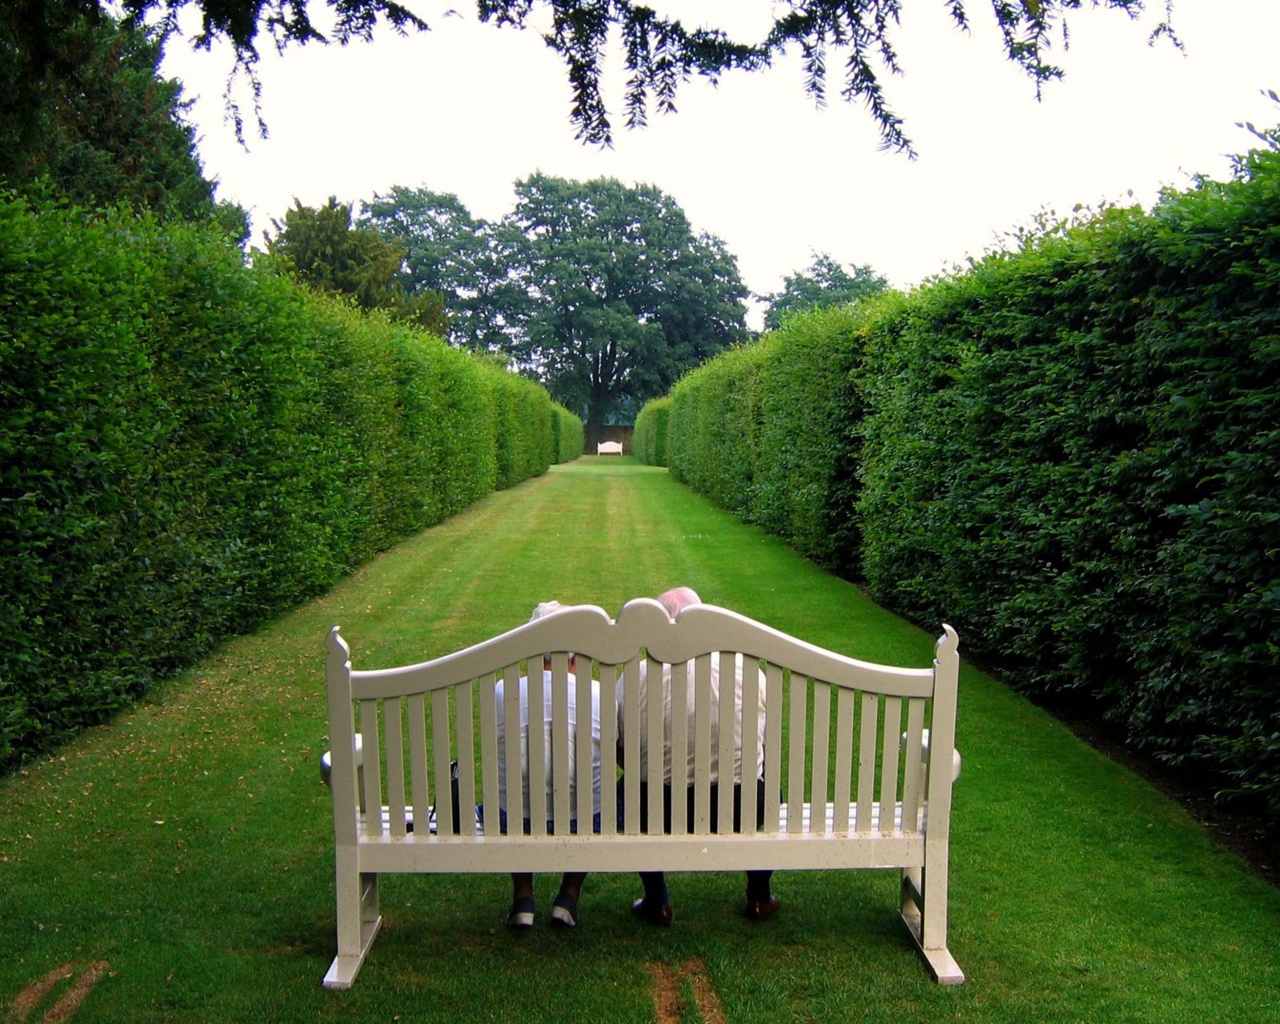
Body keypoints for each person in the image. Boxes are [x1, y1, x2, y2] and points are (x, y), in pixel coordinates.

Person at [619, 586, 779, 926]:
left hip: (655, 808)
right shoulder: (747, 670)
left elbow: (620, 747)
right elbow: (763, 743)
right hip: (738, 807)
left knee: (628, 787)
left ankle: (657, 900)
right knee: (767, 786)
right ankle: (759, 897)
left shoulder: (637, 673)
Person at [490, 601, 602, 929]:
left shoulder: (503, 691)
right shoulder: (597, 693)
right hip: (582, 820)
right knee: (593, 799)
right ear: (573, 653)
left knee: (510, 797)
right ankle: (568, 896)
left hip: (516, 820)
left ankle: (523, 897)